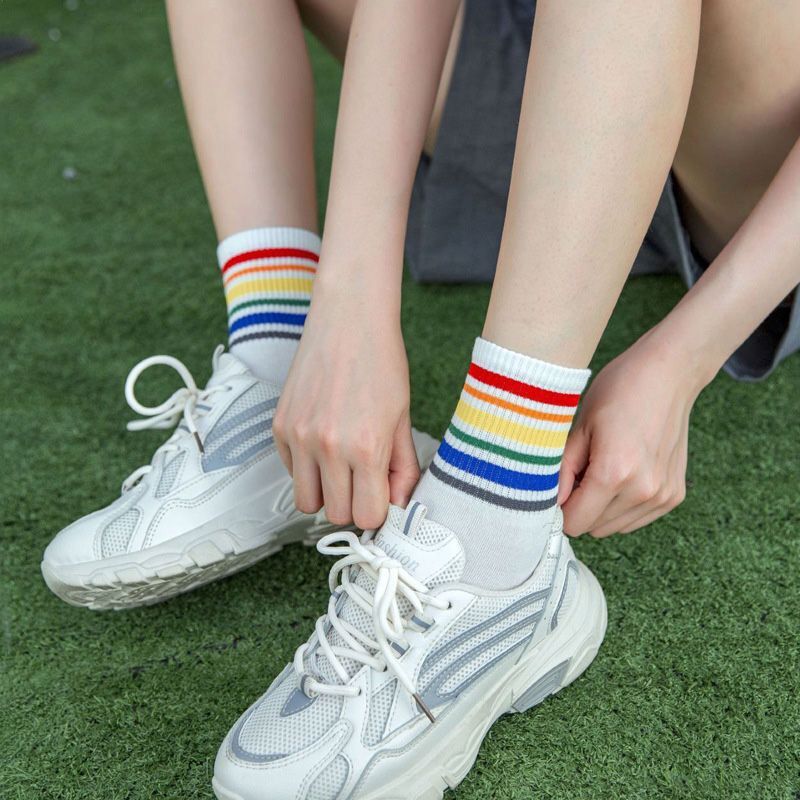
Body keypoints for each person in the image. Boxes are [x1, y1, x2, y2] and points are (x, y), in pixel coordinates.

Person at [42, 1, 800, 798]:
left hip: (746, 144)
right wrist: (345, 310)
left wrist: (686, 358)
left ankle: (498, 530)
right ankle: (275, 360)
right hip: (553, 82)